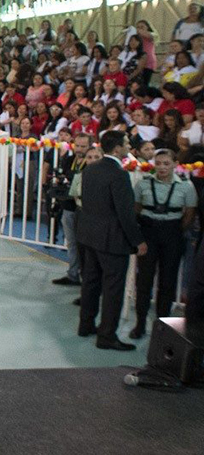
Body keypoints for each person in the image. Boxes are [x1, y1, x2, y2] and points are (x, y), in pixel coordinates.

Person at [76, 130, 146, 350]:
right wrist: (137, 240)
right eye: (126, 143)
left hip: (90, 235)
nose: (128, 146)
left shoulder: (90, 169)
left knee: (90, 283)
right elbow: (125, 213)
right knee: (113, 288)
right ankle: (107, 335)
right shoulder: (119, 174)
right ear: (117, 148)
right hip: (112, 239)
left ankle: (86, 324)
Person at [132, 149, 197, 340]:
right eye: (158, 163)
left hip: (172, 233)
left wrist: (176, 231)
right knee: (144, 280)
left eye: (166, 163)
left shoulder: (186, 186)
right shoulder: (143, 184)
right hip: (148, 232)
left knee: (167, 282)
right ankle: (140, 323)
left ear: (175, 164)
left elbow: (189, 215)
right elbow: (136, 210)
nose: (162, 167)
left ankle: (162, 328)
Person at [52, 133, 94, 287]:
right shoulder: (69, 160)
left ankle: (87, 278)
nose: (80, 149)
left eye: (83, 146)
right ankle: (73, 274)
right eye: (78, 145)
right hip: (68, 206)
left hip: (86, 209)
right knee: (72, 243)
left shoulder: (93, 163)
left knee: (85, 246)